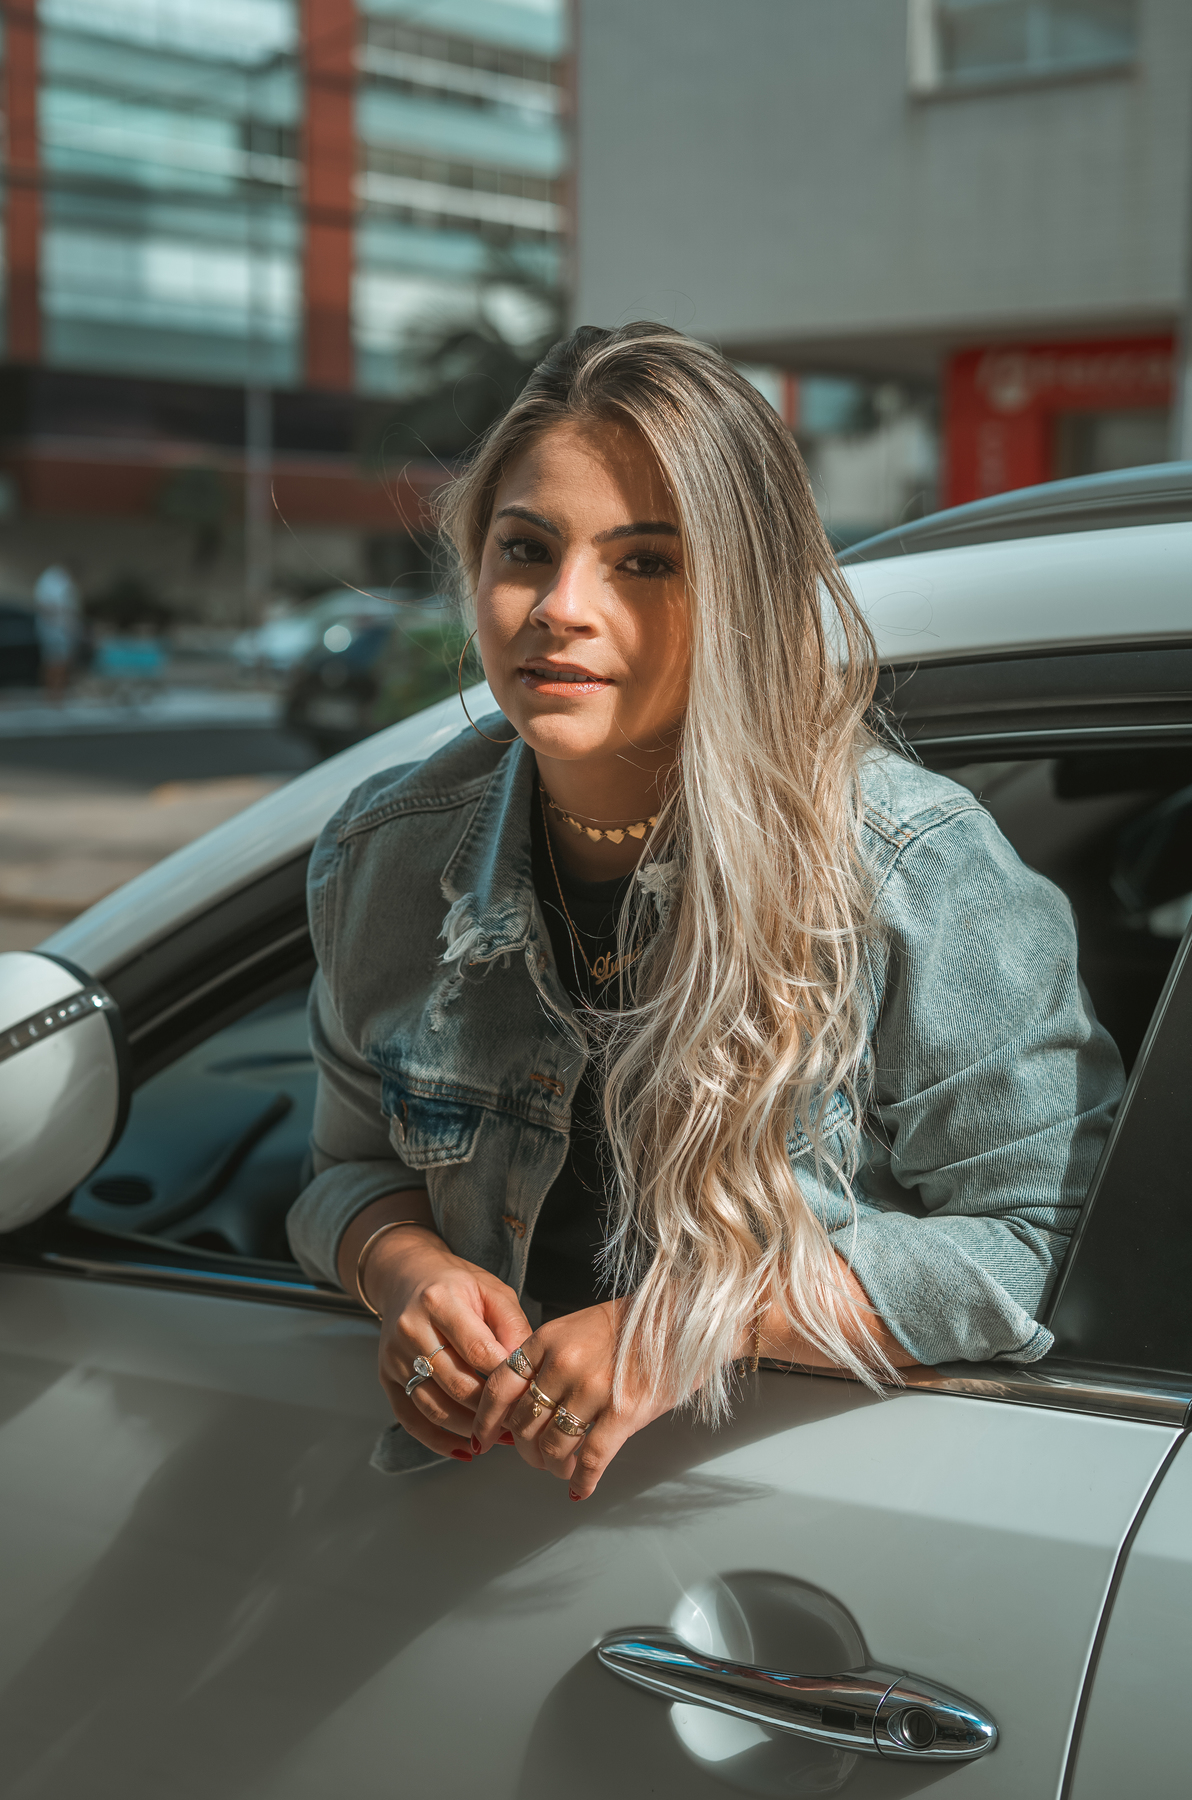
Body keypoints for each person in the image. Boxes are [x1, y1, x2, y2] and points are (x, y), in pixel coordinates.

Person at [287, 323, 1123, 1497]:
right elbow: (342, 1171)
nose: (560, 607)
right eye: (526, 549)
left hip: (804, 1529)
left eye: (645, 563)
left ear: (745, 595)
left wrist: (692, 1326)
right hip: (474, 1526)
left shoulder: (910, 868)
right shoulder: (385, 854)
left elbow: (1048, 1241)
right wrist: (406, 1272)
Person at [33, 563, 82, 700]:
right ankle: (52, 693)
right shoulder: (51, 581)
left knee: (62, 662)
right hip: (53, 630)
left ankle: (58, 692)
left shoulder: (64, 583)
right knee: (54, 662)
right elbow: (44, 606)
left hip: (62, 630)